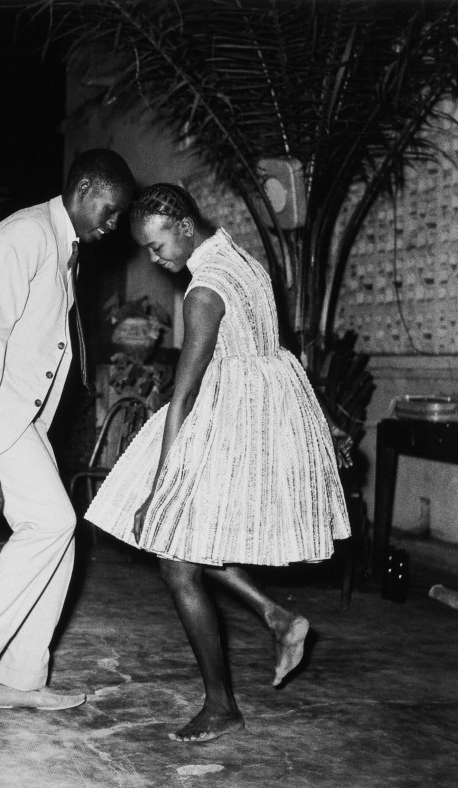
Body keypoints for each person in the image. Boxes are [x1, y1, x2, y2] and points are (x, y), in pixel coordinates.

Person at [85, 183, 352, 743]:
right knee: (190, 545)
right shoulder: (242, 258)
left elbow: (181, 397)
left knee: (175, 559)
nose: (156, 259)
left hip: (225, 424)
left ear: (183, 226)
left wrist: (157, 492)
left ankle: (221, 704)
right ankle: (276, 617)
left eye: (157, 246)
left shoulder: (204, 291)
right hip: (261, 414)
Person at [0, 149, 135, 734]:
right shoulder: (25, 236)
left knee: (60, 534)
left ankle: (18, 682)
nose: (112, 226)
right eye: (109, 212)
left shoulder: (60, 244)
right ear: (85, 189)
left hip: (19, 415)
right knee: (54, 525)